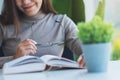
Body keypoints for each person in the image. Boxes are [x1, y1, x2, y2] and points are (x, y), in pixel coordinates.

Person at [0, 0, 85, 68]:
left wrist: (88, 57)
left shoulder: (62, 22)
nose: (26, 2)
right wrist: (15, 58)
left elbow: (87, 50)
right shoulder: (3, 26)